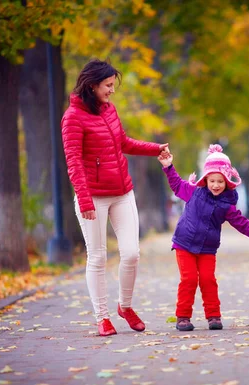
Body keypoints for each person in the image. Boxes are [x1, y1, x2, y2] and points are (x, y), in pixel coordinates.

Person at [61, 59, 170, 336]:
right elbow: (73, 161)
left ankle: (125, 305)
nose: (112, 90)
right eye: (108, 85)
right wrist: (84, 200)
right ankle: (102, 317)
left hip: (122, 192)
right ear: (92, 85)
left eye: (113, 85)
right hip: (93, 198)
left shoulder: (109, 110)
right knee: (97, 257)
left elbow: (124, 143)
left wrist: (155, 149)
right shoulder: (72, 118)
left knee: (132, 253)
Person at [158, 144, 249, 331]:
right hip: (185, 243)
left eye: (220, 181)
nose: (216, 185)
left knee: (208, 280)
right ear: (205, 179)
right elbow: (176, 184)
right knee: (189, 279)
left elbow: (241, 223)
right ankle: (183, 317)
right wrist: (168, 167)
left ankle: (213, 316)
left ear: (227, 183)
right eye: (212, 180)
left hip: (207, 248)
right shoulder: (193, 191)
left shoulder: (227, 205)